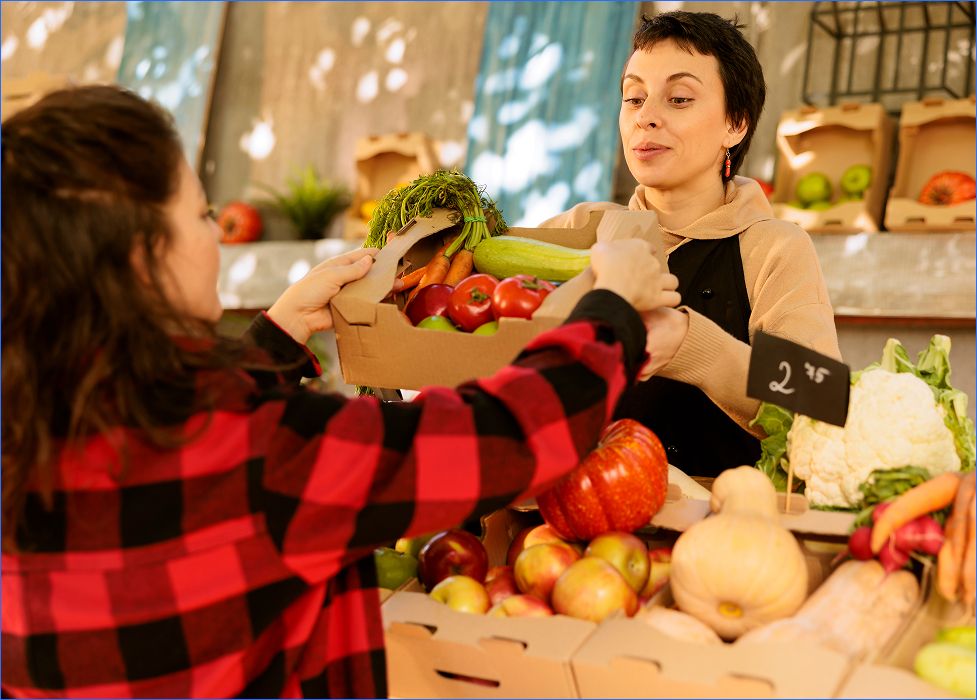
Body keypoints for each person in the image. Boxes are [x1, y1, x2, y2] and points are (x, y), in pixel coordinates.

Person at [1, 85, 678, 698]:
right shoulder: (261, 453)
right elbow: (499, 439)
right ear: (144, 258)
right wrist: (610, 308)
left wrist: (273, 342)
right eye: (202, 212)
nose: (215, 231)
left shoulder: (31, 422)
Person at [540, 11, 840, 478]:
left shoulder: (774, 248)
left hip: (719, 529)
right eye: (633, 97)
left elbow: (822, 395)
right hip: (561, 526)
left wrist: (694, 346)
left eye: (678, 98)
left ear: (735, 124)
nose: (646, 117)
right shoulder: (581, 227)